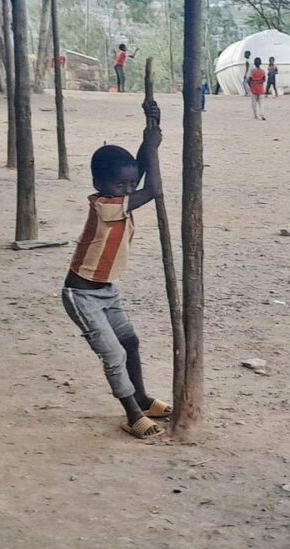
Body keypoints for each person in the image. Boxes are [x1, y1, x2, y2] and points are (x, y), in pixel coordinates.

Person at [62, 101, 171, 439]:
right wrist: (152, 145)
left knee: (131, 343)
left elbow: (140, 172)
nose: (127, 191)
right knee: (112, 353)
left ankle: (141, 396)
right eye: (120, 187)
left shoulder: (118, 195)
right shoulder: (105, 205)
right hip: (82, 294)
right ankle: (131, 413)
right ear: (100, 183)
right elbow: (152, 188)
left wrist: (151, 127)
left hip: (107, 289)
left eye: (129, 186)